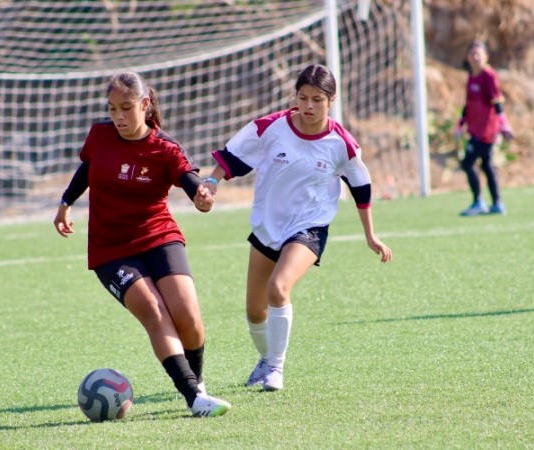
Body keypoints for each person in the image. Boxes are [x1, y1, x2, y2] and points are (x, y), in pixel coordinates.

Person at [202, 64, 393, 391]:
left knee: (278, 288)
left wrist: (370, 235)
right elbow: (232, 157)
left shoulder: (341, 143)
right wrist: (211, 182)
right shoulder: (271, 127)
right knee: (255, 311)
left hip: (309, 226)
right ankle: (266, 360)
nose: (308, 106)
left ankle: (276, 368)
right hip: (268, 226)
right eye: (303, 98)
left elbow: (361, 188)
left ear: (331, 100)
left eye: (317, 99)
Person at [53, 71, 230, 417]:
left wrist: (202, 197)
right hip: (111, 249)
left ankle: (198, 384)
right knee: (154, 311)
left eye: (126, 108)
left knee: (188, 317)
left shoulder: (165, 148)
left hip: (158, 236)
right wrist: (65, 202)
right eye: (112, 108)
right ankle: (194, 398)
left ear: (145, 104)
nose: (118, 116)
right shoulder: (100, 135)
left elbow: (191, 183)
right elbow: (87, 168)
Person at [454, 40, 514, 216]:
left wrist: (504, 124)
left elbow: (497, 102)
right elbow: (469, 104)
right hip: (475, 128)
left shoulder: (489, 76)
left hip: (487, 130)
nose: (475, 57)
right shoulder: (472, 76)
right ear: (467, 57)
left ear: (486, 56)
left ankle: (479, 202)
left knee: (467, 163)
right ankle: (497, 203)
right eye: (472, 54)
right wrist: (461, 123)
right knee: (487, 165)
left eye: (478, 54)